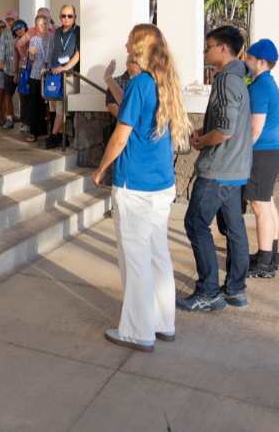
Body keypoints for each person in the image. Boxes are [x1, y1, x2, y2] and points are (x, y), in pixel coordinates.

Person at [93, 24, 191, 352]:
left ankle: (137, 331)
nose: (124, 43)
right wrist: (109, 81)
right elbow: (132, 109)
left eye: (129, 40)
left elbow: (120, 135)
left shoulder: (139, 84)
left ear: (138, 47)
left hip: (134, 184)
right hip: (161, 184)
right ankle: (164, 323)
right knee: (157, 255)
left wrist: (102, 168)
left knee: (135, 260)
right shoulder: (163, 83)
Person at [178, 25, 252, 312]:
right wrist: (204, 131)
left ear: (223, 48)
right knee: (234, 229)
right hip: (233, 170)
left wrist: (202, 142)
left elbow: (225, 130)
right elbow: (224, 123)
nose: (205, 51)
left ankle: (209, 290)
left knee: (195, 224)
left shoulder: (226, 80)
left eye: (208, 46)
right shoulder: (236, 79)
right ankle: (235, 289)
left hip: (219, 170)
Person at [243, 39, 279, 278]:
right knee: (267, 203)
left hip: (262, 153)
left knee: (259, 207)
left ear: (260, 61)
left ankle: (264, 263)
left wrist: (240, 152)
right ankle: (271, 256)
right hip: (271, 152)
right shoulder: (268, 83)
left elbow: (255, 129)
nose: (246, 62)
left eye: (248, 58)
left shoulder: (259, 87)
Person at [46, 4, 81, 149]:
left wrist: (65, 68)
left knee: (61, 108)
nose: (66, 19)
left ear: (75, 17)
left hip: (68, 75)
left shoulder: (78, 31)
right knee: (53, 107)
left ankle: (53, 136)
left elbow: (78, 54)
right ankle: (61, 137)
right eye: (63, 16)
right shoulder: (58, 32)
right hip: (54, 74)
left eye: (69, 16)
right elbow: (54, 52)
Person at [23, 14, 52, 143]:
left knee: (47, 104)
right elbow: (31, 58)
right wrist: (31, 54)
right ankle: (34, 132)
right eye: (41, 24)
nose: (44, 26)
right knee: (34, 103)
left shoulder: (52, 38)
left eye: (45, 24)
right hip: (36, 74)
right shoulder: (34, 39)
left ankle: (46, 131)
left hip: (49, 74)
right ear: (36, 27)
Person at [0, 10, 18, 128]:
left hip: (20, 69)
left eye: (12, 19)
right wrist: (1, 60)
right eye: (8, 20)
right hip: (8, 69)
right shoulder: (4, 32)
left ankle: (25, 122)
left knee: (24, 96)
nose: (10, 22)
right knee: (7, 94)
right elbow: (2, 47)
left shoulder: (22, 28)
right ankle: (9, 118)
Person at [12, 19, 30, 132]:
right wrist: (16, 74)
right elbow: (16, 59)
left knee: (31, 98)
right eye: (16, 29)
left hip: (32, 71)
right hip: (22, 71)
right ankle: (24, 123)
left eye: (21, 28)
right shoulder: (16, 43)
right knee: (22, 98)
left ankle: (31, 122)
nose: (19, 31)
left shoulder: (31, 39)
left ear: (25, 28)